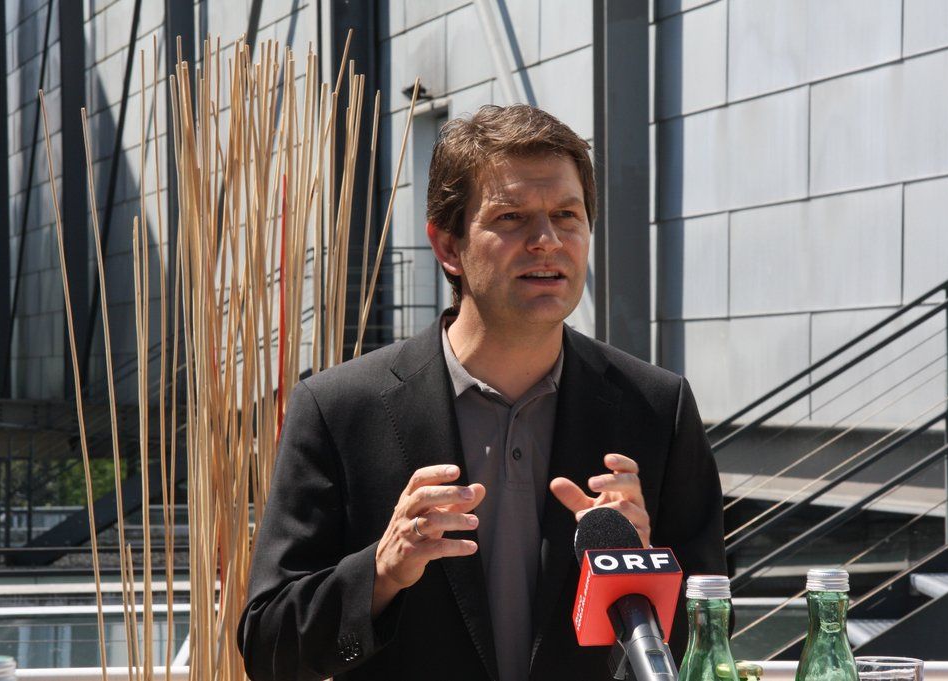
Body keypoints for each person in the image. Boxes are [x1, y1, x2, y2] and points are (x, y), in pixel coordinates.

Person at [238, 105, 726, 681]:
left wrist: (642, 575)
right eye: (512, 217)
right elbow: (269, 648)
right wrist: (382, 571)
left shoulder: (658, 410)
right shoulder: (338, 410)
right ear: (448, 246)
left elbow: (709, 642)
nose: (547, 241)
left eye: (567, 215)